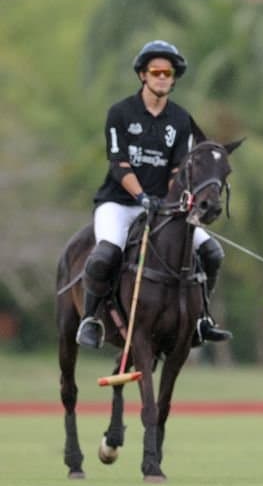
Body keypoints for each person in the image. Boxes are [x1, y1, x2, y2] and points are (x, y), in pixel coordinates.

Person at [75, 40, 232, 349]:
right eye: (156, 71)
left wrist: (180, 199)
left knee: (212, 253)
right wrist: (143, 196)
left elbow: (178, 168)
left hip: (164, 207)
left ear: (173, 79)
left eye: (168, 72)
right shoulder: (120, 113)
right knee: (106, 254)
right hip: (119, 203)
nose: (162, 77)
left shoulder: (180, 120)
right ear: (142, 76)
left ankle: (202, 319)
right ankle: (90, 319)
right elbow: (119, 165)